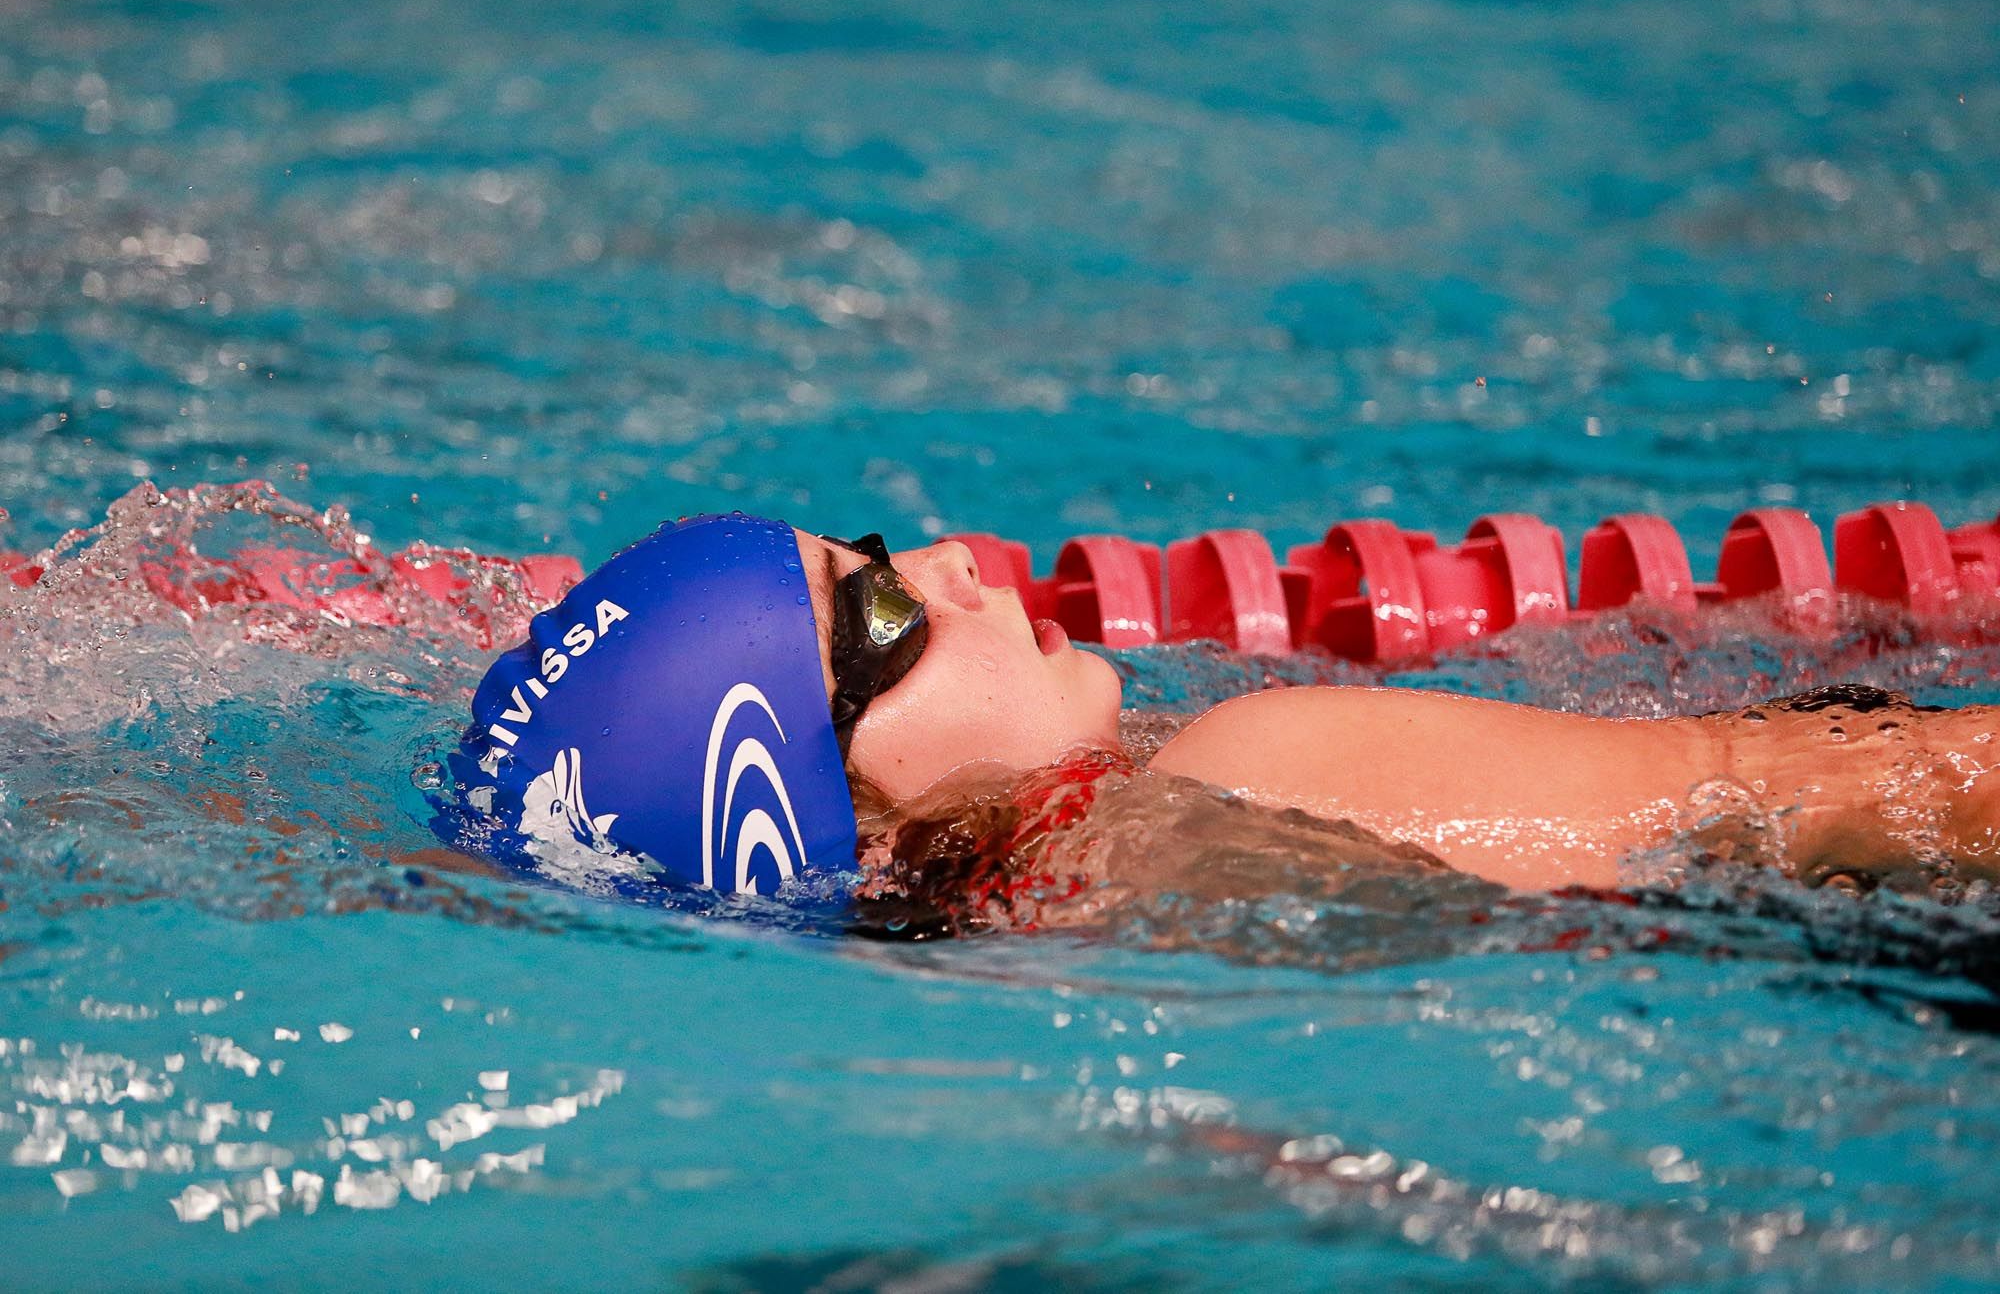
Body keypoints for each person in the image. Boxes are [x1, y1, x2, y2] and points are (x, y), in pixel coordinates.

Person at [437, 513, 2000, 929]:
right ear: (853, 826)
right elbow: (1871, 791)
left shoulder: (1066, 985)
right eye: (885, 616)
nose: (960, 559)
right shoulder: (1243, 775)